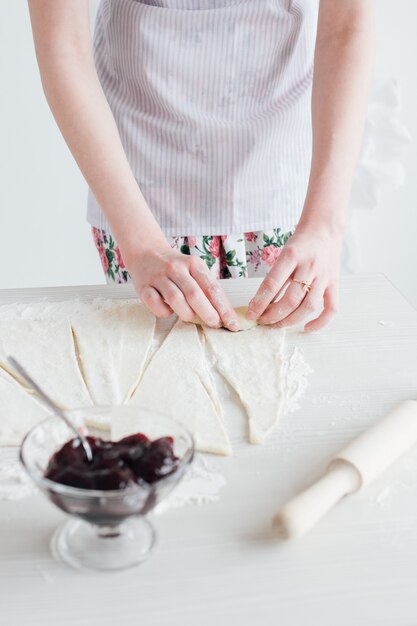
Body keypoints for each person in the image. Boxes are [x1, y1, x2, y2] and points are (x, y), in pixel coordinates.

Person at [28, 0, 375, 332]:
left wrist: (323, 226)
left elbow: (346, 26)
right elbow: (63, 46)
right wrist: (142, 245)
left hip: (281, 175)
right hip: (137, 184)